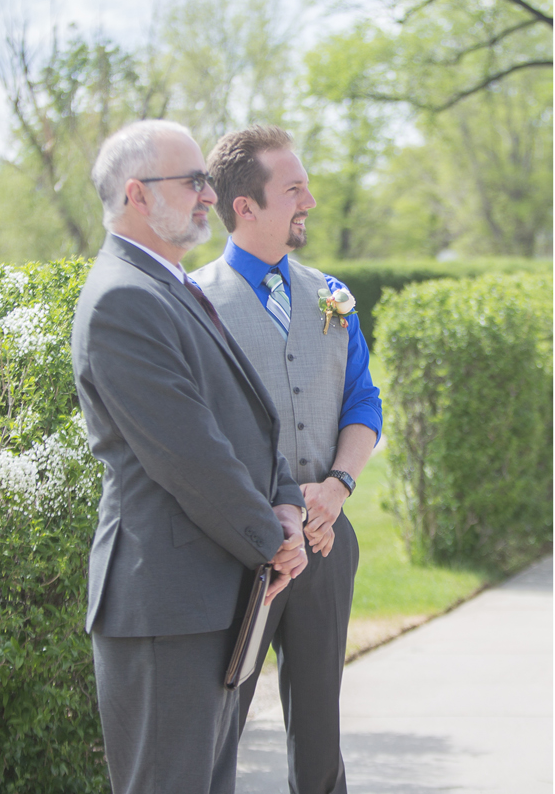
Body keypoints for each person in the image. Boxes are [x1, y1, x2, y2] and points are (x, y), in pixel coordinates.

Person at [73, 120, 307, 794]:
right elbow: (190, 456)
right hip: (164, 605)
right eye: (194, 180)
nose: (209, 194)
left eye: (207, 179)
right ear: (137, 194)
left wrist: (286, 501)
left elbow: (246, 420)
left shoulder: (165, 281)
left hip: (205, 596)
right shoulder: (124, 297)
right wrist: (274, 541)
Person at [193, 126, 381, 794]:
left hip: (328, 543)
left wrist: (335, 488)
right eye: (294, 188)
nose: (310, 199)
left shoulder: (331, 294)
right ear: (245, 205)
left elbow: (364, 402)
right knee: (218, 727)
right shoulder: (193, 303)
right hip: (240, 549)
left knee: (321, 732)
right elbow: (199, 437)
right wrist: (271, 519)